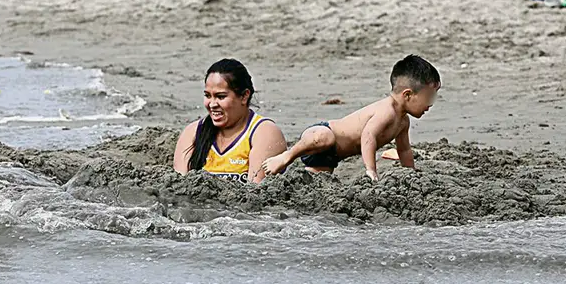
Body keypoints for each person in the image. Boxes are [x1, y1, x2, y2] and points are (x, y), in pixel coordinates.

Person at [262, 55, 441, 180]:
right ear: (407, 95)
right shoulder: (386, 111)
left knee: (315, 180)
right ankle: (286, 156)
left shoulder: (403, 122)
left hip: (331, 156)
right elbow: (368, 137)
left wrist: (411, 173)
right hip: (322, 134)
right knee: (324, 137)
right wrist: (371, 170)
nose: (431, 104)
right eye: (429, 97)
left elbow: (404, 150)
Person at [173, 59, 288, 184]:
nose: (212, 104)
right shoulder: (193, 132)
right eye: (208, 96)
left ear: (244, 96)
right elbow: (178, 187)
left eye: (221, 96)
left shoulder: (264, 133)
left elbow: (257, 191)